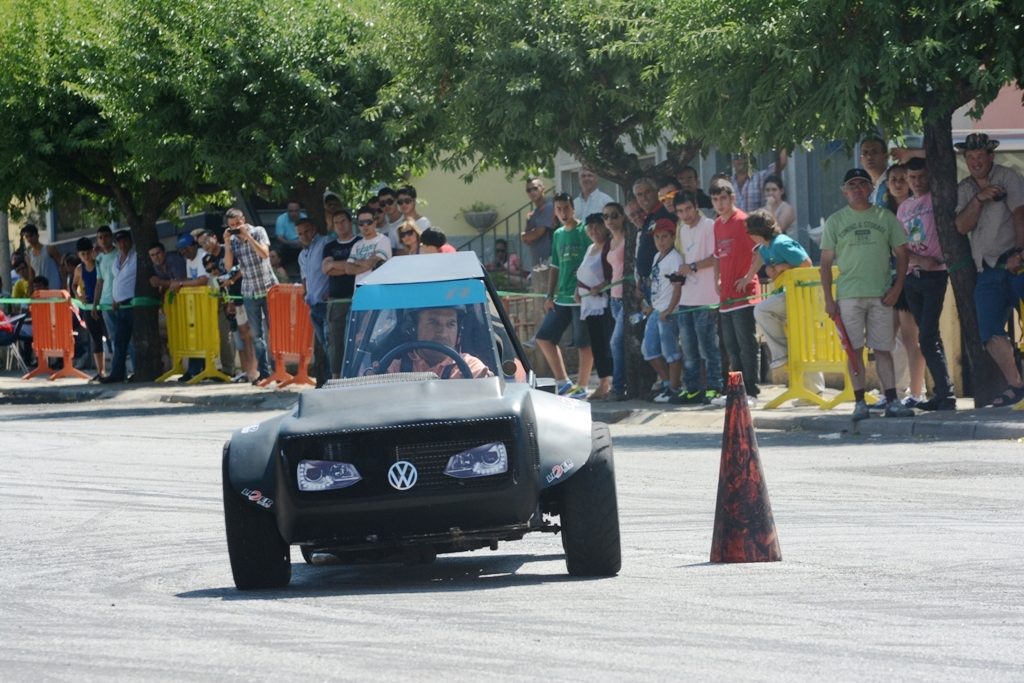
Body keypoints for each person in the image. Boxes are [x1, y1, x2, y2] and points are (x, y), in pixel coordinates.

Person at [821, 168, 913, 420]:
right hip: (849, 295)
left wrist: (897, 288)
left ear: (871, 189)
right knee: (854, 350)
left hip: (881, 294)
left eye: (862, 185)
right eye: (852, 186)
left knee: (883, 348)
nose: (857, 190)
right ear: (844, 191)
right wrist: (829, 299)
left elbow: (903, 254)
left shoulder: (885, 217)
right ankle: (859, 401)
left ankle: (892, 400)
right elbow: (826, 263)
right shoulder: (836, 221)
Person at [953, 132, 1024, 407]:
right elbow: (960, 227)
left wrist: (1020, 251)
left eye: (980, 156)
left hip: (1014, 260)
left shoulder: (1008, 177)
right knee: (989, 330)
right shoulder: (965, 189)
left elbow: (1020, 213)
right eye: (970, 157)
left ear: (990, 156)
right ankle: (1016, 385)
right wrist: (979, 199)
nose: (975, 161)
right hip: (986, 268)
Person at [737, 209, 824, 397]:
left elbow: (806, 263)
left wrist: (784, 267)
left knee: (761, 310)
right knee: (801, 343)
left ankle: (780, 353)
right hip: (789, 296)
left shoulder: (781, 243)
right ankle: (812, 391)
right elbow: (760, 257)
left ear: (757, 232)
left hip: (800, 296)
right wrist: (751, 275)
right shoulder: (766, 246)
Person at [896, 157, 956, 410]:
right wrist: (917, 259)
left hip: (935, 274)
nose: (917, 182)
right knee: (927, 336)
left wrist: (929, 260)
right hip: (912, 276)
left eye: (921, 177)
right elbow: (898, 247)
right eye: (912, 178)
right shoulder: (903, 208)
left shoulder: (937, 200)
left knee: (929, 335)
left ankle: (946, 394)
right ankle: (941, 393)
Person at [709, 178, 762, 406]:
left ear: (732, 198)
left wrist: (749, 276)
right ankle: (735, 390)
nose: (719, 204)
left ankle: (751, 391)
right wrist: (716, 278)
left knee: (746, 344)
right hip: (726, 295)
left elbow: (761, 250)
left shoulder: (745, 221)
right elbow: (717, 256)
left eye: (723, 198)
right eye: (715, 199)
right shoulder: (716, 225)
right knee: (730, 346)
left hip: (744, 294)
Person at [536, 193, 593, 399]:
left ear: (573, 208)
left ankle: (583, 385)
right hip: (561, 298)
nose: (563, 213)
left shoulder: (585, 230)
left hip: (582, 298)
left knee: (583, 343)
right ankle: (563, 381)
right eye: (558, 209)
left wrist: (584, 287)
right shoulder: (558, 234)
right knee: (544, 337)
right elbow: (555, 266)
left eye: (566, 208)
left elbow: (592, 260)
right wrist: (549, 295)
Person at [670, 192, 724, 405]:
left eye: (688, 209)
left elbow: (715, 257)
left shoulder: (709, 225)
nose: (685, 215)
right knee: (689, 347)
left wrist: (691, 267)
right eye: (680, 211)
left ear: (695, 207)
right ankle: (691, 388)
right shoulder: (681, 229)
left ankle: (714, 386)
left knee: (709, 345)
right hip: (687, 296)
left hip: (707, 295)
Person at [222, 208, 278, 383]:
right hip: (249, 291)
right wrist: (227, 243)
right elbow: (228, 266)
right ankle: (264, 372)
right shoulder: (232, 241)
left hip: (268, 288)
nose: (236, 228)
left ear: (243, 220)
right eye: (232, 226)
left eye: (238, 224)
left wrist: (248, 237)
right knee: (256, 334)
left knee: (274, 331)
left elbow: (264, 253)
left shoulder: (258, 231)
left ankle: (278, 370)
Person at [384, 307, 494, 379]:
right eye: (433, 322)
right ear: (413, 328)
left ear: (459, 330)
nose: (443, 332)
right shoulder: (395, 370)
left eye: (450, 324)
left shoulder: (472, 369)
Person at [642, 219, 684, 403]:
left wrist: (669, 309)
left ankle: (674, 388)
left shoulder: (675, 258)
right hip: (656, 309)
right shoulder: (655, 257)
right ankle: (667, 382)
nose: (660, 241)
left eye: (665, 237)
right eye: (657, 237)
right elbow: (658, 284)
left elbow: (677, 287)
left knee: (671, 352)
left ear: (673, 237)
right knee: (648, 350)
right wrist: (651, 306)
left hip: (669, 311)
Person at [575, 213, 615, 400]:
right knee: (596, 344)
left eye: (597, 226)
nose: (593, 231)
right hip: (588, 303)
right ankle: (602, 382)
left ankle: (607, 383)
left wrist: (600, 286)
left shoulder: (608, 247)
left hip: (602, 301)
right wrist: (578, 290)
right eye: (589, 228)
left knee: (606, 342)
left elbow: (612, 273)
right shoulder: (591, 247)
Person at [321, 209, 362, 379]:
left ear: (349, 221)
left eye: (343, 221)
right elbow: (326, 269)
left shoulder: (360, 243)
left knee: (357, 338)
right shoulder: (329, 246)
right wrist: (349, 266)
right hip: (336, 300)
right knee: (335, 341)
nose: (340, 225)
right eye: (336, 222)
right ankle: (336, 378)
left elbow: (360, 267)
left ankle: (355, 375)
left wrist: (338, 266)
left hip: (358, 296)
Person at [99, 229, 137, 384]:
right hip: (120, 304)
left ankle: (137, 371)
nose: (122, 244)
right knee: (119, 341)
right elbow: (116, 279)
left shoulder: (136, 257)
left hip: (132, 303)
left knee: (133, 342)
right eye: (119, 242)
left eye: (125, 240)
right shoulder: (118, 258)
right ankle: (117, 373)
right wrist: (115, 299)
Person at [602, 202, 628, 401]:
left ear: (622, 217)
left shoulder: (628, 239)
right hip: (614, 298)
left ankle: (619, 387)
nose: (610, 220)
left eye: (614, 215)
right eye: (606, 217)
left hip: (628, 298)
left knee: (616, 342)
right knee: (618, 343)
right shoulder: (609, 241)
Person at [72, 237, 106, 379]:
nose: (86, 257)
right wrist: (79, 296)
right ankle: (101, 372)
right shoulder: (79, 269)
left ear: (92, 251)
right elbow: (74, 285)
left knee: (110, 338)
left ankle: (117, 370)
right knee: (96, 340)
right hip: (88, 307)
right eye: (82, 254)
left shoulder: (99, 264)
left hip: (103, 305)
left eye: (87, 253)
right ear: (78, 255)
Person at [347, 206, 392, 284]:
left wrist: (357, 262)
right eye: (361, 223)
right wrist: (367, 263)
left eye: (368, 222)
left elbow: (371, 262)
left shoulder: (383, 240)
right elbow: (348, 269)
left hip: (378, 288)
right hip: (360, 290)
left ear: (375, 222)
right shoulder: (356, 245)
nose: (365, 225)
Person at [19, 224, 61, 294]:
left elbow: (61, 266)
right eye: (27, 237)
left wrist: (64, 284)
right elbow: (31, 275)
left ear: (37, 236)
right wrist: (30, 291)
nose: (29, 239)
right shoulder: (29, 255)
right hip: (40, 291)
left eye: (31, 236)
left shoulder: (50, 249)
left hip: (54, 288)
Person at [522, 177, 554, 267]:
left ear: (543, 188)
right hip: (537, 262)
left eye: (535, 188)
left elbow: (537, 233)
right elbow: (528, 240)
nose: (532, 192)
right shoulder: (534, 213)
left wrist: (523, 236)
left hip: (549, 261)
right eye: (528, 190)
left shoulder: (549, 206)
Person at [377, 187, 406, 253]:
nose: (386, 206)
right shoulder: (382, 229)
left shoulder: (408, 221)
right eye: (382, 204)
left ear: (396, 200)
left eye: (389, 202)